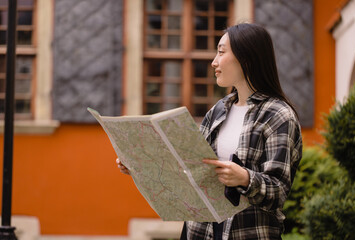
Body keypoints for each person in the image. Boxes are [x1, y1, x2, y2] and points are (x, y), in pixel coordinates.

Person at [117, 23, 302, 240]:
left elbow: (279, 192)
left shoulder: (278, 115)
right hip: (200, 232)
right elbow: (190, 171)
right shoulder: (219, 110)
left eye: (221, 52)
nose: (214, 62)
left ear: (247, 59)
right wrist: (141, 164)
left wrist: (244, 178)